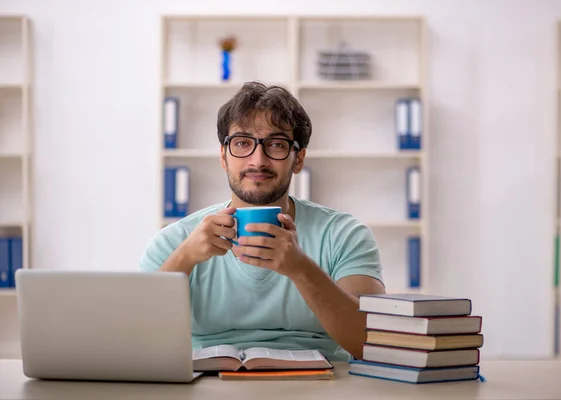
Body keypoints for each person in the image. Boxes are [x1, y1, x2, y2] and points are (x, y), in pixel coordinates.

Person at [139, 81, 386, 361]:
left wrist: (301, 269)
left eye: (276, 145)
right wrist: (184, 258)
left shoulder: (344, 235)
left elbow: (375, 344)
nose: (258, 160)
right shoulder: (175, 240)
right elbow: (137, 341)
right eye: (242, 143)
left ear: (298, 159)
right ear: (224, 156)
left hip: (321, 383)